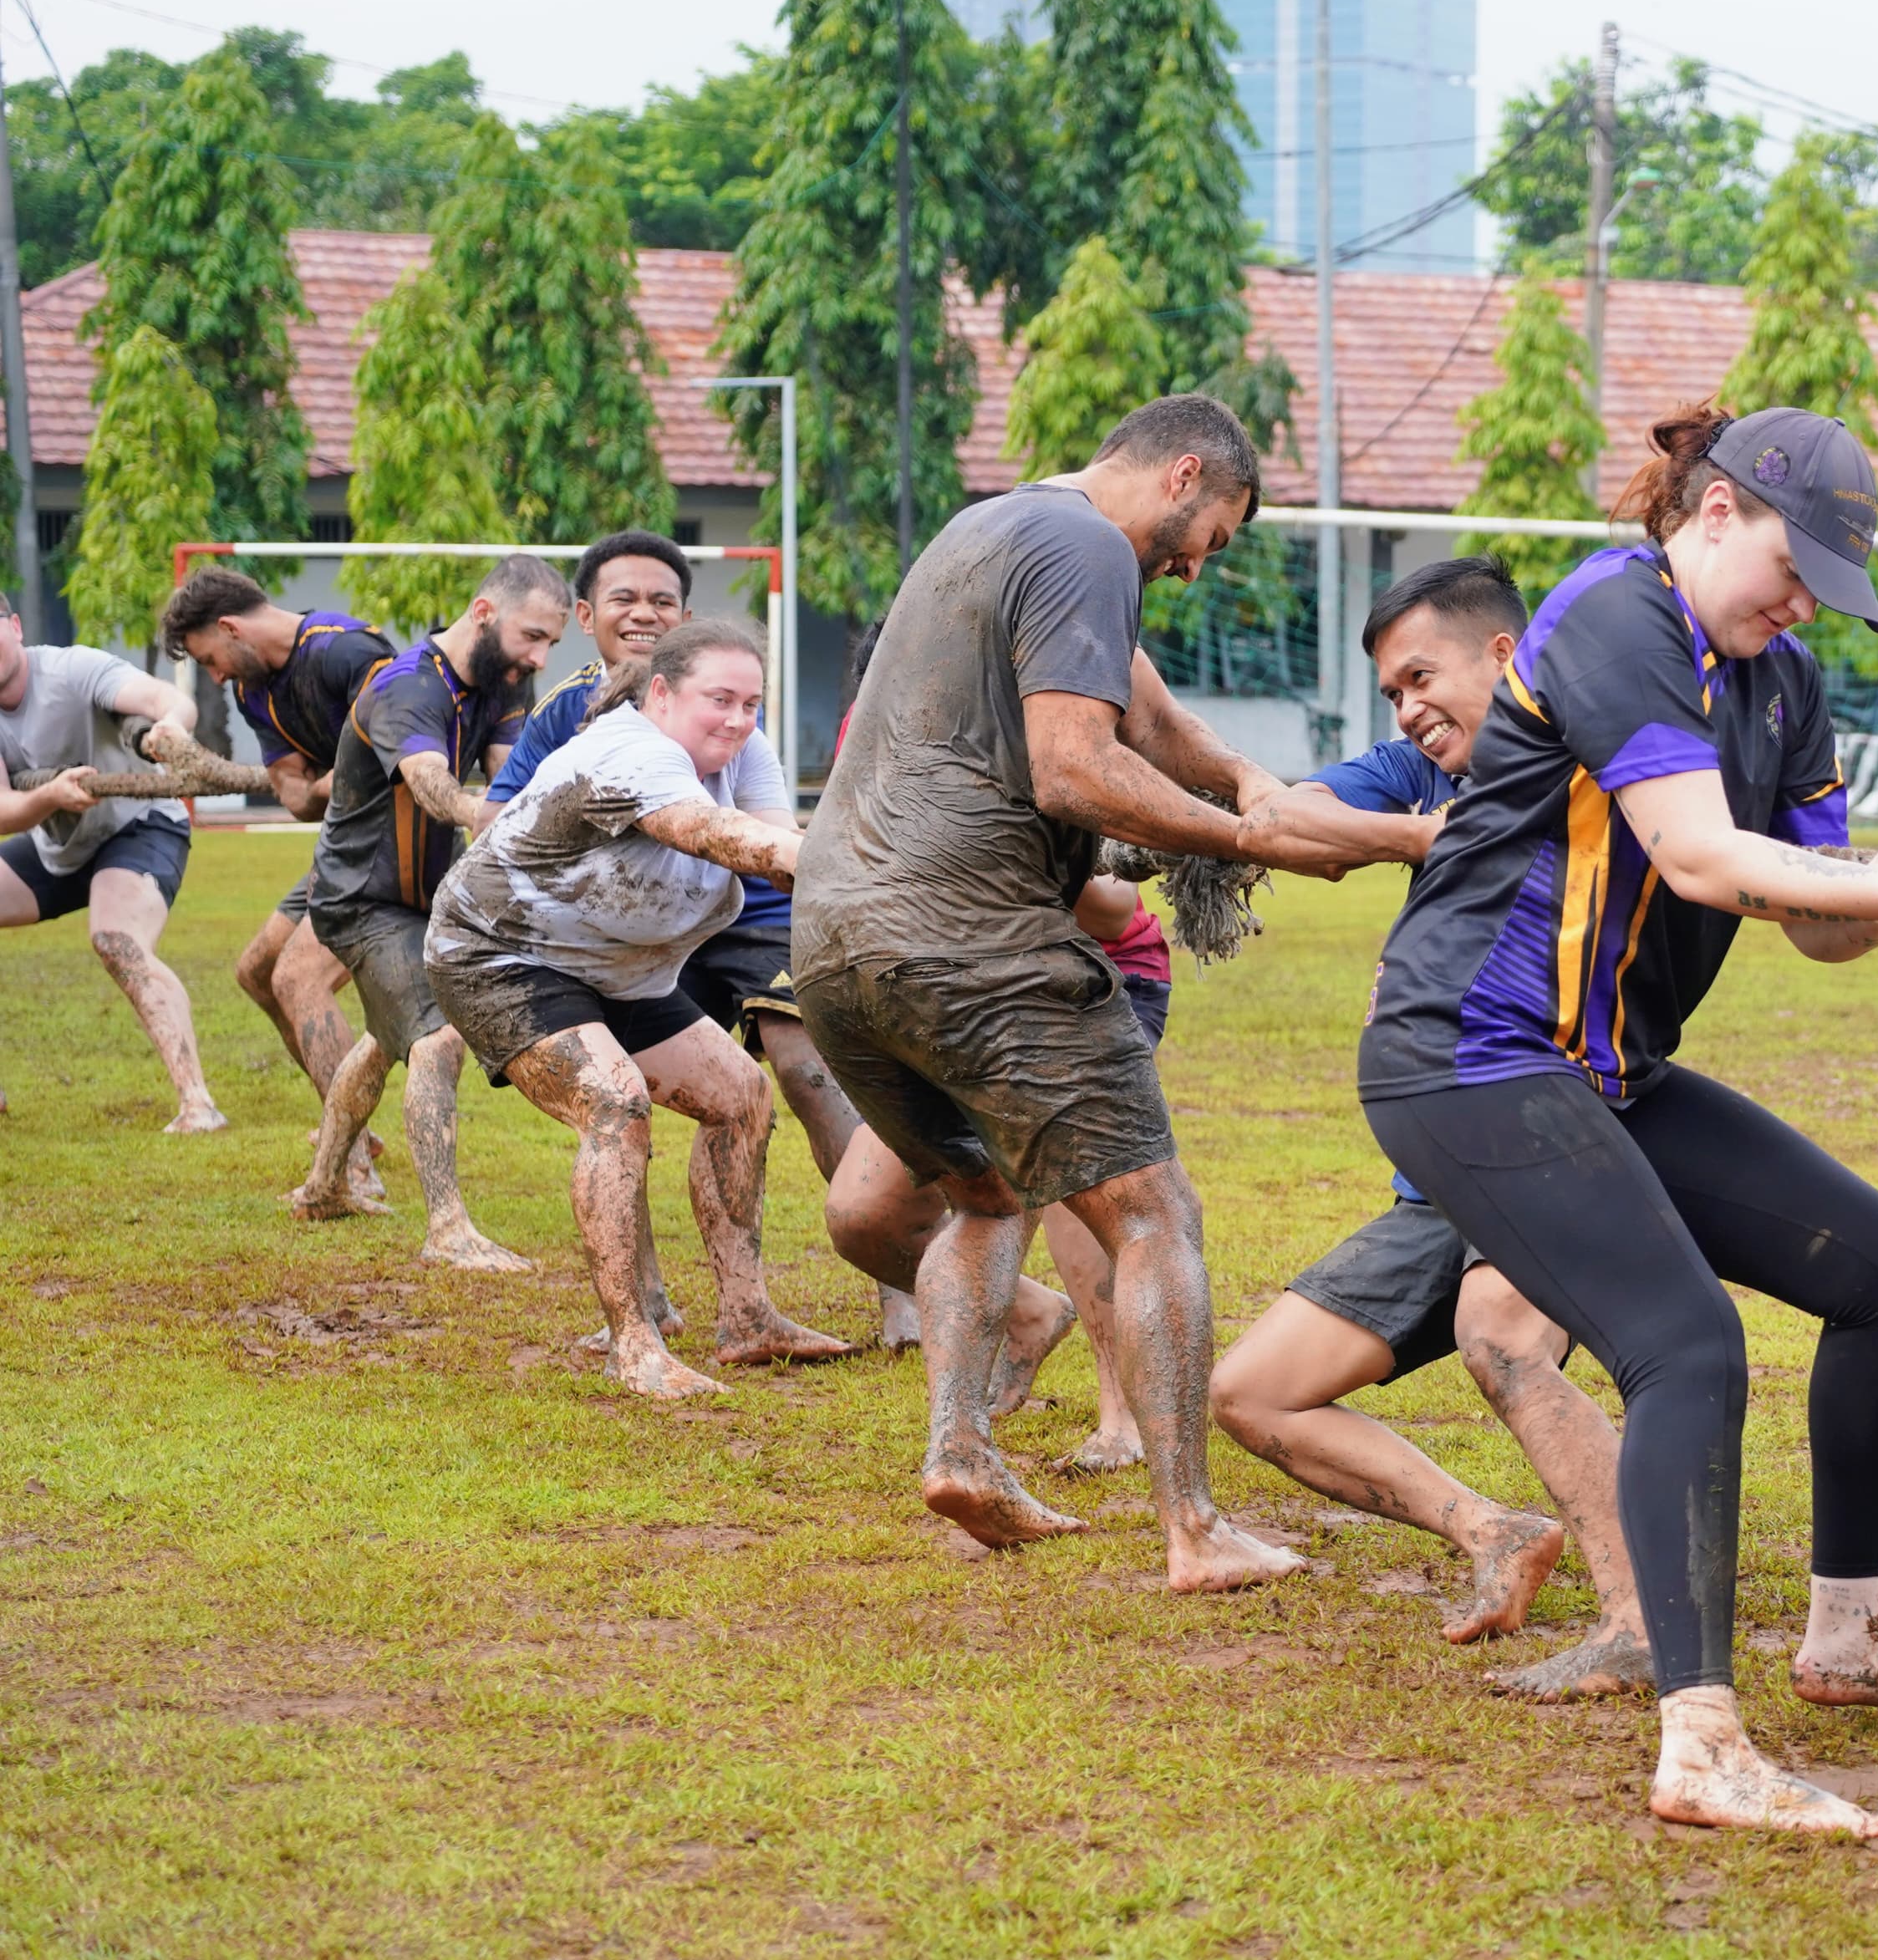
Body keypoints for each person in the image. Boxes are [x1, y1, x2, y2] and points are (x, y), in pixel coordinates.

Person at [1360, 404, 1878, 1840]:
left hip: (1603, 1068)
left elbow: (1812, 921)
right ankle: (1701, 1744)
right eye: (1793, 570)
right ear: (1716, 513)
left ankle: (1847, 1632)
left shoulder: (1784, 683)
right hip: (1466, 1053)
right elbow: (1699, 857)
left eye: (1824, 592)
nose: (1801, 607)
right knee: (1687, 1342)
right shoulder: (1617, 612)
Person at [790, 394, 1424, 1581]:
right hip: (972, 941)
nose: (1194, 567)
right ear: (1184, 474)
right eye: (1211, 536)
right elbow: (1075, 771)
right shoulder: (1089, 546)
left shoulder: (998, 526)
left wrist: (1250, 783)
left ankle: (963, 1450)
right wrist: (1252, 841)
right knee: (1153, 1217)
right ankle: (1196, 1529)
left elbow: (1154, 720)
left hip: (834, 947)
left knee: (985, 1194)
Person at [1202, 556, 1651, 1697]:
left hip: (1556, 1135)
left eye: (1420, 677)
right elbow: (1281, 815)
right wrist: (1422, 836)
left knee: (1499, 1335)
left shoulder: (1598, 766)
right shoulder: (1418, 773)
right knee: (1249, 1391)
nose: (1406, 710)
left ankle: (1644, 1617)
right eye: (1392, 692)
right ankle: (1495, 1531)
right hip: (1441, 1173)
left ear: (1504, 655)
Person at [481, 531, 919, 1349]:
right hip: (618, 939)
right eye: (624, 598)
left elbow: (766, 832)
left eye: (663, 600)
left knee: (807, 1069)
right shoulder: (569, 716)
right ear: (587, 616)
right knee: (617, 1099)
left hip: (747, 912)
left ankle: (896, 1284)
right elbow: (502, 817)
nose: (644, 613)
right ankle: (643, 1308)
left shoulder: (729, 712)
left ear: (684, 621)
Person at [428, 618, 845, 1397]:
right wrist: (870, 866)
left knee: (741, 1096)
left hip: (619, 970)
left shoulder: (742, 750)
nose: (738, 719)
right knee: (614, 1103)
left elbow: (779, 845)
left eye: (751, 703)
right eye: (719, 699)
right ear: (661, 693)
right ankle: (633, 1346)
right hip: (500, 956)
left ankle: (747, 1316)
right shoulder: (630, 752)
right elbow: (716, 835)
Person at [287, 554, 570, 1266]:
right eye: (532, 636)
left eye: (551, 643)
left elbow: (511, 772)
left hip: (422, 899)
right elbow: (430, 781)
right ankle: (447, 1229)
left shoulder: (501, 682)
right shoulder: (407, 684)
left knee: (385, 1039)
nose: (539, 657)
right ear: (484, 612)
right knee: (437, 1039)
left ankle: (323, 1186)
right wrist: (481, 815)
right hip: (361, 901)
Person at [164, 568, 394, 1197]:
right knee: (258, 970)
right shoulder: (254, 692)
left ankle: (352, 1169)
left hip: (398, 842)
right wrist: (335, 781)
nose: (216, 676)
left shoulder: (348, 651)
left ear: (231, 627)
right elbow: (294, 793)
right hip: (343, 845)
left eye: (210, 659)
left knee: (298, 977)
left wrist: (337, 779)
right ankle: (350, 1122)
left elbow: (396, 758)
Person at [0, 588, 226, 1132]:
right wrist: (50, 797)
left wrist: (171, 727)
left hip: (139, 826)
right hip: (59, 843)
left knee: (116, 939)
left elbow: (167, 699)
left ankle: (198, 1104)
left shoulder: (71, 670)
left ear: (15, 627)